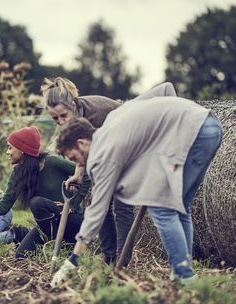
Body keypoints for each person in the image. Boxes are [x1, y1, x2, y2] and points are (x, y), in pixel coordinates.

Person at [51, 82, 223, 286]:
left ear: (82, 143)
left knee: (162, 207)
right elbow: (164, 90)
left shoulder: (104, 152)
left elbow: (97, 210)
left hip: (195, 133)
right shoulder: (111, 124)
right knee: (180, 207)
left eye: (75, 158)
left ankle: (184, 275)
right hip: (208, 124)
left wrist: (73, 260)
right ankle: (182, 271)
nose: (78, 164)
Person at [0, 127, 91, 258]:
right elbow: (2, 207)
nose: (7, 152)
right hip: (48, 226)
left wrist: (73, 204)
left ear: (23, 150)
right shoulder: (18, 174)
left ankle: (64, 244)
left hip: (72, 220)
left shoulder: (52, 163)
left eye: (10, 147)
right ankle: (26, 234)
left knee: (37, 203)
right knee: (21, 254)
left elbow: (86, 175)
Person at [41, 77, 135, 265]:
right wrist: (78, 174)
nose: (60, 122)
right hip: (108, 149)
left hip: (128, 142)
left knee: (120, 204)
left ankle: (123, 260)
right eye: (55, 118)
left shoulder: (95, 117)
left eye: (63, 116)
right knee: (102, 203)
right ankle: (109, 256)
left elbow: (96, 150)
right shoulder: (74, 121)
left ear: (73, 106)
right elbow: (81, 149)